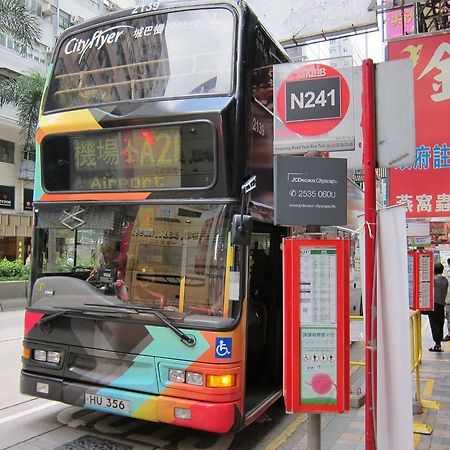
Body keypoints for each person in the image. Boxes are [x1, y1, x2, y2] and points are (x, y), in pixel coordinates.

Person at [428, 262, 448, 352]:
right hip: (441, 304)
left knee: (434, 325)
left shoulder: (434, 281)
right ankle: (438, 343)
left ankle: (437, 344)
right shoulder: (445, 280)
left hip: (434, 305)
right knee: (440, 324)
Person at [443, 257, 450, 341]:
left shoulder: (446, 273)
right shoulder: (446, 273)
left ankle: (449, 334)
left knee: (449, 318)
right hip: (448, 300)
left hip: (448, 300)